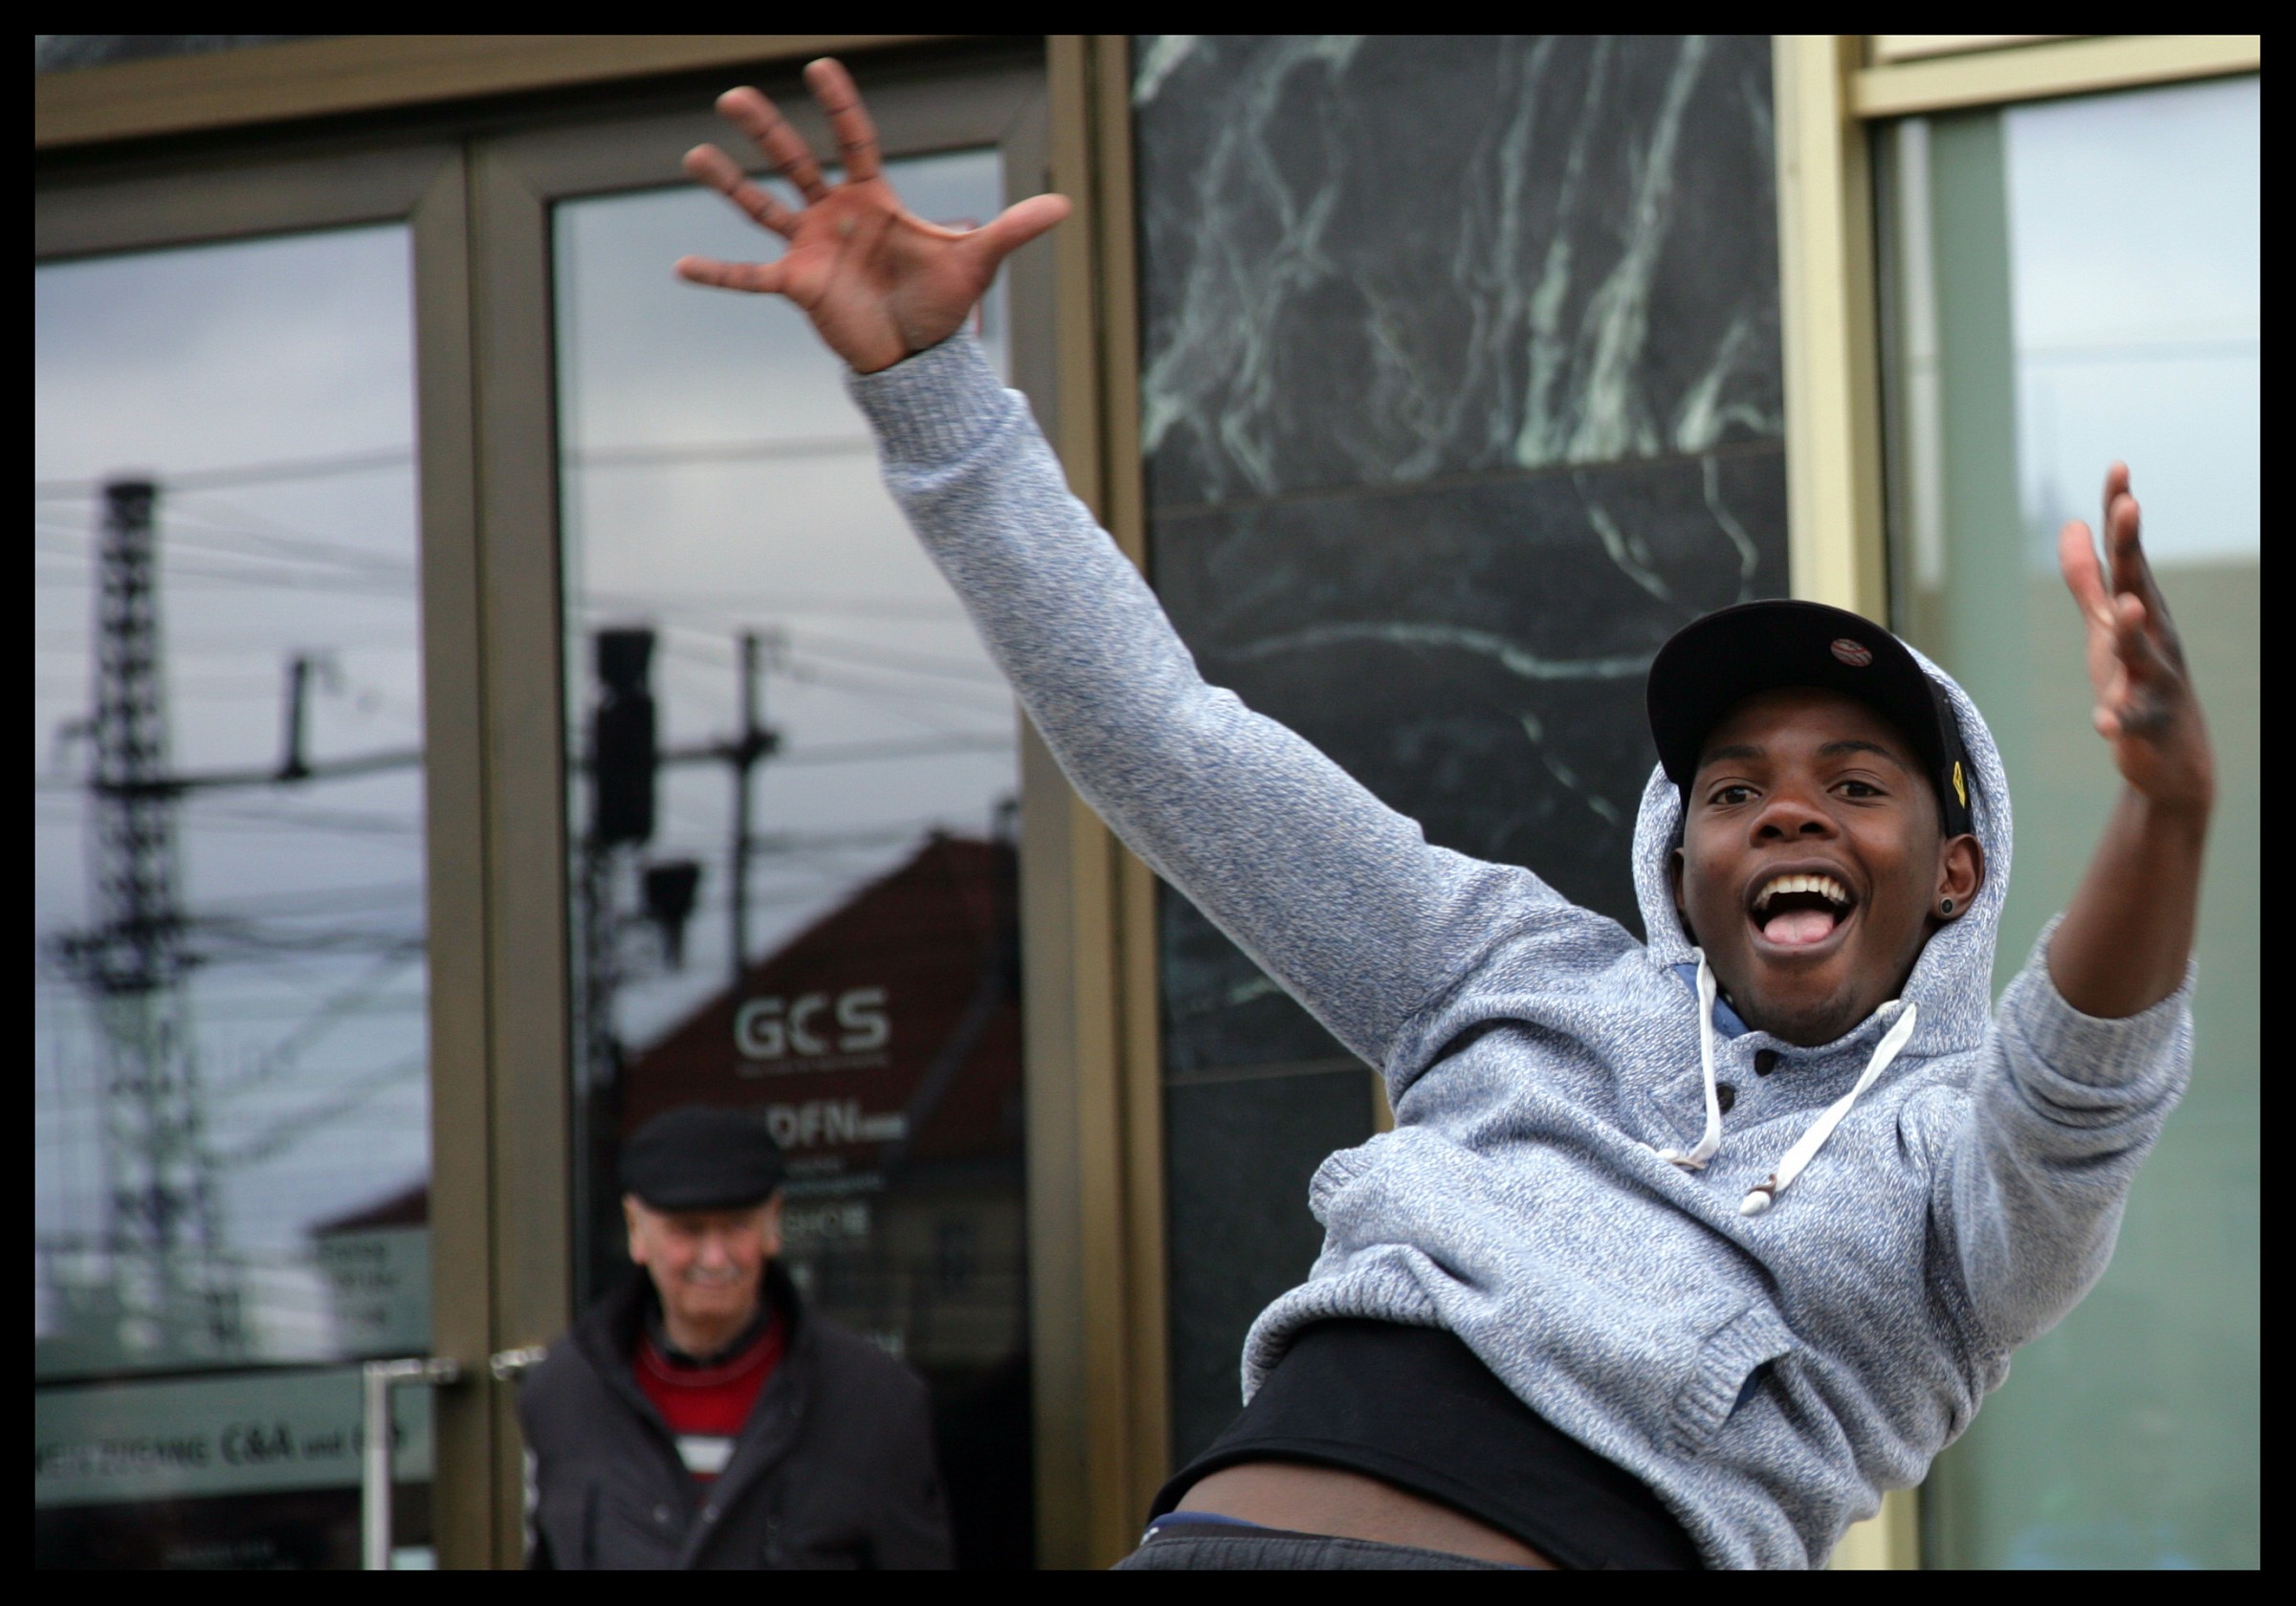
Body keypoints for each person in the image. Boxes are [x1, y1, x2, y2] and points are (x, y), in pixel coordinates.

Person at [672, 61, 2212, 1569]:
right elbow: (1166, 744)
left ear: (1953, 872)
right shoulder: (1511, 974)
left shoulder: (1951, 1169)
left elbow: (2079, 1085)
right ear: (1684, 864)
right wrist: (934, 395)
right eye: (1735, 790)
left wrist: (2166, 805)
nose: (1788, 815)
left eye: (1854, 785)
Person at [518, 1105, 953, 1568]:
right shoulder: (563, 1392)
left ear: (773, 1224)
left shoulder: (875, 1401)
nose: (715, 1257)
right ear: (635, 1230)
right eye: (687, 1230)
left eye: (736, 1226)